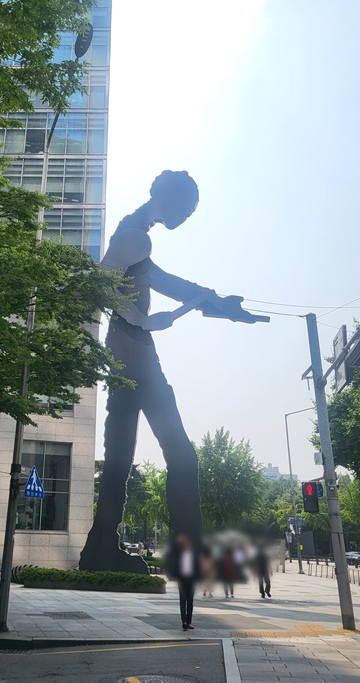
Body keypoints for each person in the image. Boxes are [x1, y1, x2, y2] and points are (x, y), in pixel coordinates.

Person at [80, 171, 263, 573]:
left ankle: (99, 548)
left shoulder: (137, 231)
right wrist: (144, 321)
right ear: (173, 201)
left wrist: (218, 303)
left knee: (120, 455)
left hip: (126, 350)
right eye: (189, 209)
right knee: (181, 456)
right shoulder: (137, 235)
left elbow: (164, 281)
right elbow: (99, 283)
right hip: (134, 350)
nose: (188, 216)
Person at [168, 535, 200, 630]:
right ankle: (184, 622)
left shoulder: (194, 555)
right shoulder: (179, 554)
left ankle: (189, 622)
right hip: (182, 581)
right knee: (183, 601)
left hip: (191, 581)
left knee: (190, 602)